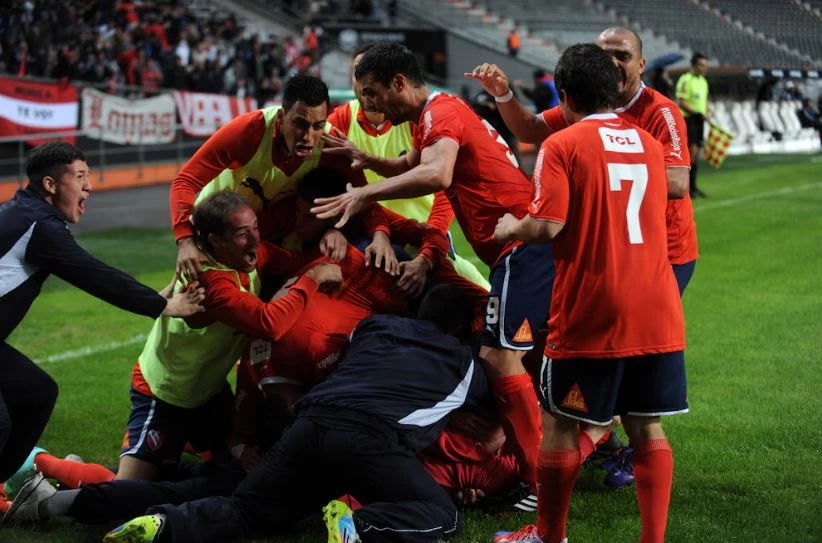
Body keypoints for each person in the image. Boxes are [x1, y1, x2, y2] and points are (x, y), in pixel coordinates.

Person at [311, 42, 555, 491]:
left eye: (371, 92)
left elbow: (438, 175)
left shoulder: (440, 114)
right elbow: (408, 164)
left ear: (399, 83)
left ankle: (536, 479)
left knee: (501, 357)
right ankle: (578, 446)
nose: (368, 104)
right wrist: (370, 163)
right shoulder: (434, 115)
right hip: (520, 249)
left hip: (524, 248)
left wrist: (364, 194)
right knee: (540, 348)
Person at [103, 284, 493, 543]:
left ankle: (163, 523)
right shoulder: (465, 363)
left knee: (249, 510)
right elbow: (491, 402)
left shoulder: (375, 327)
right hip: (369, 439)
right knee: (442, 514)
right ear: (462, 326)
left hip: (309, 420)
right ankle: (357, 526)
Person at [491, 43, 686, 543]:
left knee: (558, 423)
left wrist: (513, 226)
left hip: (594, 306)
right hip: (657, 303)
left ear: (564, 94)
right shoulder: (646, 141)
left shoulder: (563, 145)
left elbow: (548, 225)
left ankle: (547, 537)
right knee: (646, 427)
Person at [0, 142, 204, 485]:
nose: (89, 186)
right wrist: (163, 305)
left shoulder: (28, 215)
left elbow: (96, 274)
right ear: (51, 185)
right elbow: (94, 275)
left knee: (36, 393)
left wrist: (150, 299)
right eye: (80, 177)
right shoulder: (39, 225)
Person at [115, 190, 343, 482]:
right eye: (241, 233)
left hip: (209, 393)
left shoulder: (252, 255)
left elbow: (299, 261)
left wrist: (335, 234)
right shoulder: (211, 283)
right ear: (215, 241)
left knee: (234, 474)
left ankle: (178, 452)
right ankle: (45, 467)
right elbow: (269, 323)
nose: (255, 239)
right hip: (165, 393)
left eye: (255, 228)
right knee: (126, 490)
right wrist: (314, 277)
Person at [466, 26, 697, 295]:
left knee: (642, 327)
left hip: (665, 249)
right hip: (612, 244)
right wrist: (503, 94)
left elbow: (678, 183)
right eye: (604, 54)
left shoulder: (661, 112)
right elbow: (529, 127)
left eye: (622, 56)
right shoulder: (589, 105)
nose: (611, 62)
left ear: (641, 65)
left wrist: (595, 181)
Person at [170, 74, 396, 282]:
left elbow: (363, 198)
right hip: (219, 240)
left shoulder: (330, 143)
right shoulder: (248, 131)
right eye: (300, 124)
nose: (308, 137)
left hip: (271, 243)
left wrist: (380, 235)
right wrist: (186, 240)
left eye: (318, 125)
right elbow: (185, 181)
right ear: (281, 116)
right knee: (196, 315)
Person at [324, 42, 489, 289]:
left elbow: (443, 185)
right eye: (357, 75)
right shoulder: (339, 120)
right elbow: (325, 184)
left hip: (423, 230)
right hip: (369, 233)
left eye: (368, 77)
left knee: (471, 291)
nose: (361, 85)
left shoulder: (419, 117)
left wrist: (430, 244)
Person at [675, 52, 710, 198]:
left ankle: (693, 187)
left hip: (699, 120)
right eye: (701, 65)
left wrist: (707, 111)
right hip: (688, 119)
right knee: (691, 153)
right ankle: (687, 188)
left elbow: (704, 101)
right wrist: (697, 112)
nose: (704, 68)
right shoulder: (685, 80)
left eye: (705, 66)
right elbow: (681, 101)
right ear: (694, 66)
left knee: (696, 154)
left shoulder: (703, 81)